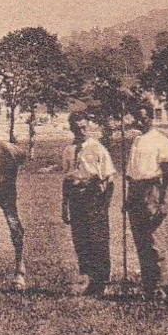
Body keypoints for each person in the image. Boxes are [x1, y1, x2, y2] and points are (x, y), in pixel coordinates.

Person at [123, 103, 168, 298]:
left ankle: (162, 285)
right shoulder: (136, 141)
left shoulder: (161, 140)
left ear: (151, 118)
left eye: (144, 118)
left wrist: (164, 200)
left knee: (154, 239)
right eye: (138, 118)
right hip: (135, 190)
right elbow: (131, 173)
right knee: (141, 240)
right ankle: (149, 284)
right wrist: (128, 197)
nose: (141, 121)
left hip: (152, 189)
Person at [61, 112, 116, 296]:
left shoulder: (98, 148)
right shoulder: (68, 150)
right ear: (71, 129)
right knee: (81, 239)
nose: (81, 131)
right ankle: (89, 279)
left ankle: (103, 280)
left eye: (84, 127)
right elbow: (67, 179)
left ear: (90, 126)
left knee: (98, 238)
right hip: (76, 197)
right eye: (77, 128)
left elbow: (109, 178)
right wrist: (64, 205)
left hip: (94, 196)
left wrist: (104, 203)